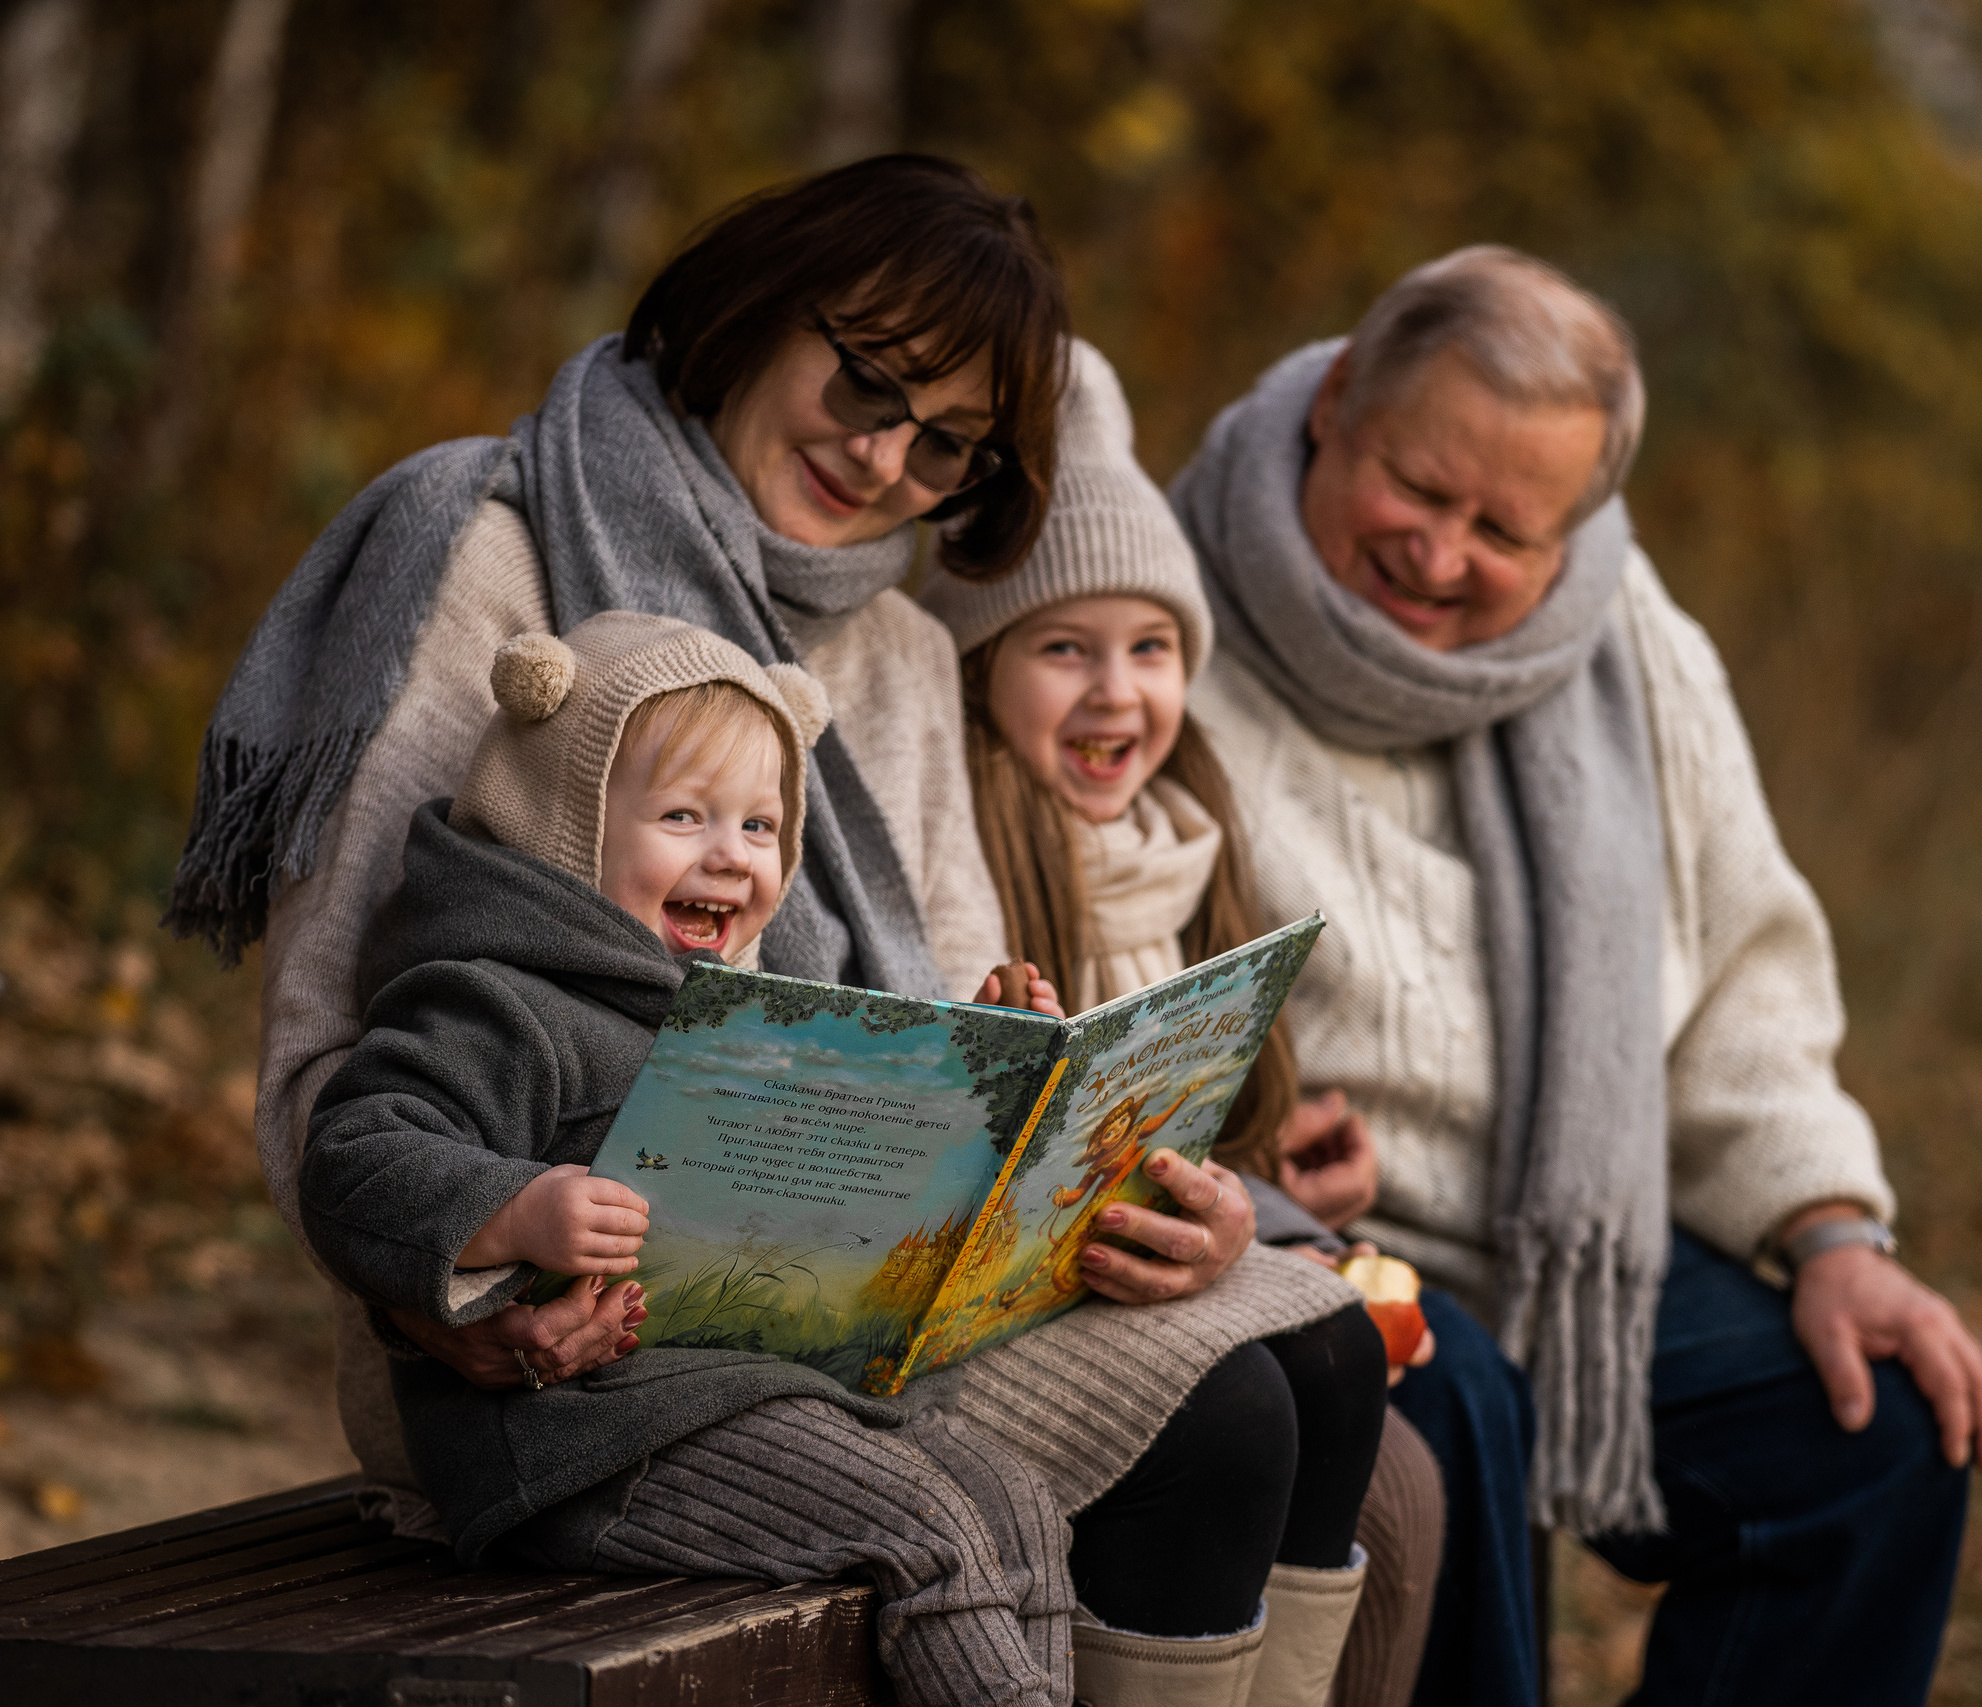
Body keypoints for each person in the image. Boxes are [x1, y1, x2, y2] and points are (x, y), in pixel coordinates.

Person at [169, 155, 1372, 1704]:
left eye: (948, 444)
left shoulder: (897, 649)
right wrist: (454, 1287)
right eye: (868, 383)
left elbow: (954, 1049)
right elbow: (336, 1054)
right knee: (1229, 1421)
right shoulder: (490, 552)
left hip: (863, 1281)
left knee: (1330, 1355)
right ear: (753, 305)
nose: (883, 459)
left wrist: (1124, 1187)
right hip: (574, 1349)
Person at [1171, 246, 1982, 1706]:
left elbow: (1745, 963)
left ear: (1583, 523)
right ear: (1342, 400)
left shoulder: (1630, 649)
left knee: (1869, 1441)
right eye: (1419, 490)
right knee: (1447, 1394)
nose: (1440, 554)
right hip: (1295, 1244)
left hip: (1580, 1234)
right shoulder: (1163, 613)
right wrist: (1247, 1154)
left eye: (1504, 528)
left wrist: (1828, 1233)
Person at [300, 613, 1080, 1705]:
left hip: (751, 1391)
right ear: (566, 828)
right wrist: (515, 1208)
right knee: (935, 1531)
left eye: (761, 827)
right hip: (582, 1442)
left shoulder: (744, 1023)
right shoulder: (496, 999)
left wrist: (978, 1067)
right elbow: (349, 1159)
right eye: (683, 817)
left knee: (1016, 1507)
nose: (730, 854)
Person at [917, 339, 1445, 1707]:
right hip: (1025, 1289)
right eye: (1062, 649)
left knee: (1379, 1357)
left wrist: (1277, 1186)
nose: (1116, 691)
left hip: (1175, 1243)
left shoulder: (1190, 839)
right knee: (1256, 1408)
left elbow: (1216, 1118)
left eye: (1151, 648)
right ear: (983, 673)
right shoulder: (974, 846)